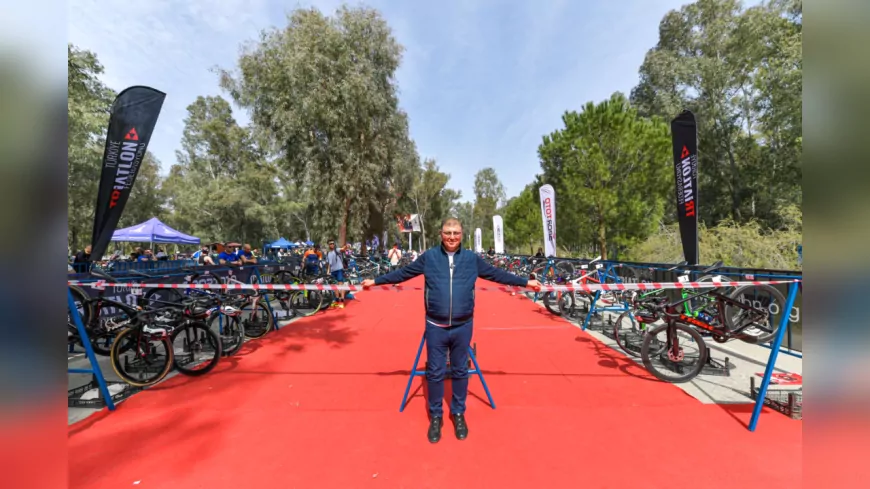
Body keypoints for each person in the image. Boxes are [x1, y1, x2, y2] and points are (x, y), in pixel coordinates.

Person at [362, 217, 540, 443]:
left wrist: (526, 282)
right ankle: (436, 416)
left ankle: (458, 413)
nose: (452, 236)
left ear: (462, 234)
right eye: (448, 232)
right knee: (435, 373)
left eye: (456, 232)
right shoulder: (429, 258)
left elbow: (498, 275)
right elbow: (403, 273)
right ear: (440, 233)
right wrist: (376, 281)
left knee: (460, 371)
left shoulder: (471, 260)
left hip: (463, 326)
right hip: (435, 326)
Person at [325, 239, 346, 309]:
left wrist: (346, 247)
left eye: (333, 243)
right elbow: (329, 264)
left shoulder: (336, 250)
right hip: (332, 271)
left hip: (339, 269)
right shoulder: (328, 253)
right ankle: (337, 301)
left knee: (341, 285)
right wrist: (328, 271)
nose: (332, 245)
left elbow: (342, 249)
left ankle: (342, 302)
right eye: (330, 244)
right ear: (328, 245)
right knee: (334, 287)